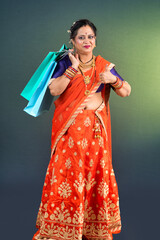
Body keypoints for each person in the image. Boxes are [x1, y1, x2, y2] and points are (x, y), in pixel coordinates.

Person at [32, 19, 131, 240]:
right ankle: (62, 228)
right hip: (69, 135)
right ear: (73, 41)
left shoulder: (104, 66)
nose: (87, 41)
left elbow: (126, 91)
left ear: (95, 40)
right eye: (81, 37)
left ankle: (92, 229)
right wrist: (73, 69)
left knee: (94, 179)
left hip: (95, 137)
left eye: (90, 37)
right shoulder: (65, 62)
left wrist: (113, 80)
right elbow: (55, 90)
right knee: (68, 178)